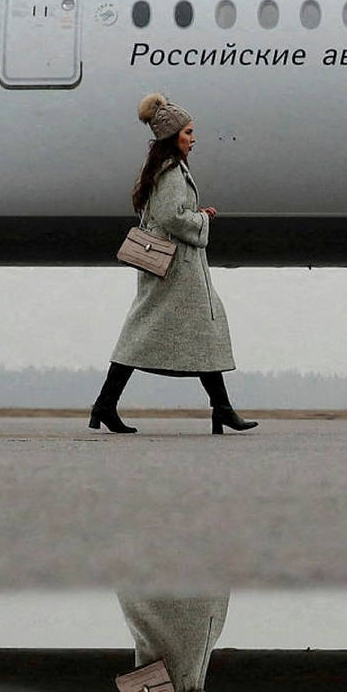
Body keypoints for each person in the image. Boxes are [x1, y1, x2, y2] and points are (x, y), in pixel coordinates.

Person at [91, 93, 256, 436]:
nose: (193, 140)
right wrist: (201, 220)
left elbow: (167, 213)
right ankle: (107, 404)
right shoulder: (170, 171)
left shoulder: (168, 168)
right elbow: (170, 215)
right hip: (175, 268)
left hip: (174, 267)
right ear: (172, 136)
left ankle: (219, 409)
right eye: (189, 133)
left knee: (190, 332)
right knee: (167, 331)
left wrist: (196, 214)